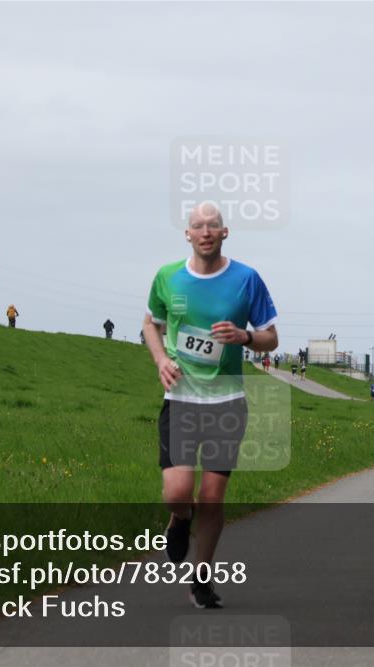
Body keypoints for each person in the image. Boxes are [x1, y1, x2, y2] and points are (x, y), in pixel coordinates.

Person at [141, 202, 278, 609]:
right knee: (178, 492)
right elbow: (151, 322)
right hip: (181, 400)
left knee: (213, 497)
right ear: (188, 234)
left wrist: (245, 337)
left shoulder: (246, 279)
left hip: (227, 402)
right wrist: (161, 360)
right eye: (197, 226)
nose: (205, 231)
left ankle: (200, 578)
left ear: (224, 233)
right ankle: (180, 519)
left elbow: (271, 336)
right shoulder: (168, 277)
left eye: (212, 226)